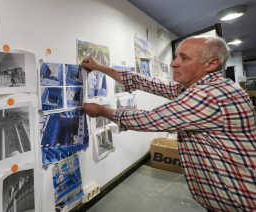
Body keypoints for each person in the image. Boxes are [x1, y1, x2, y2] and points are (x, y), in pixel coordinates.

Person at [80, 36, 256, 212]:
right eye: (176, 56)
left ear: (211, 64)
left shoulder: (208, 95)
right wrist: (99, 67)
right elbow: (148, 83)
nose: (173, 64)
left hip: (240, 200)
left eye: (183, 58)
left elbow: (149, 119)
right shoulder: (204, 86)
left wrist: (103, 111)